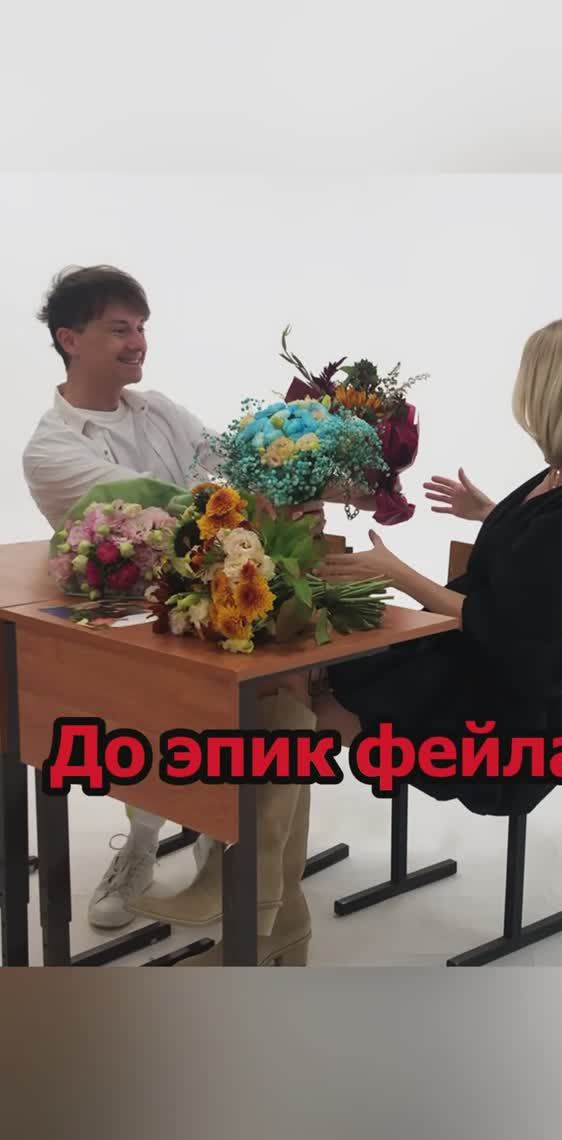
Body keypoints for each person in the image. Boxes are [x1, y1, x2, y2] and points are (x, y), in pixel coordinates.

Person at [22, 264, 376, 963]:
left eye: (141, 327)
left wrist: (328, 474)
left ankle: (246, 881)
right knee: (202, 715)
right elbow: (164, 507)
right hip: (128, 634)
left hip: (211, 604)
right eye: (119, 329)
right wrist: (260, 499)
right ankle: (156, 848)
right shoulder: (51, 449)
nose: (137, 341)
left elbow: (236, 464)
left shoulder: (158, 410)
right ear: (70, 339)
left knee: (285, 697)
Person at [313, 314, 562, 818]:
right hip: (472, 663)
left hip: (503, 722)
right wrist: (492, 512)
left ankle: (259, 863)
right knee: (315, 667)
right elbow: (542, 559)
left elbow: (501, 626)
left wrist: (397, 573)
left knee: (308, 709)